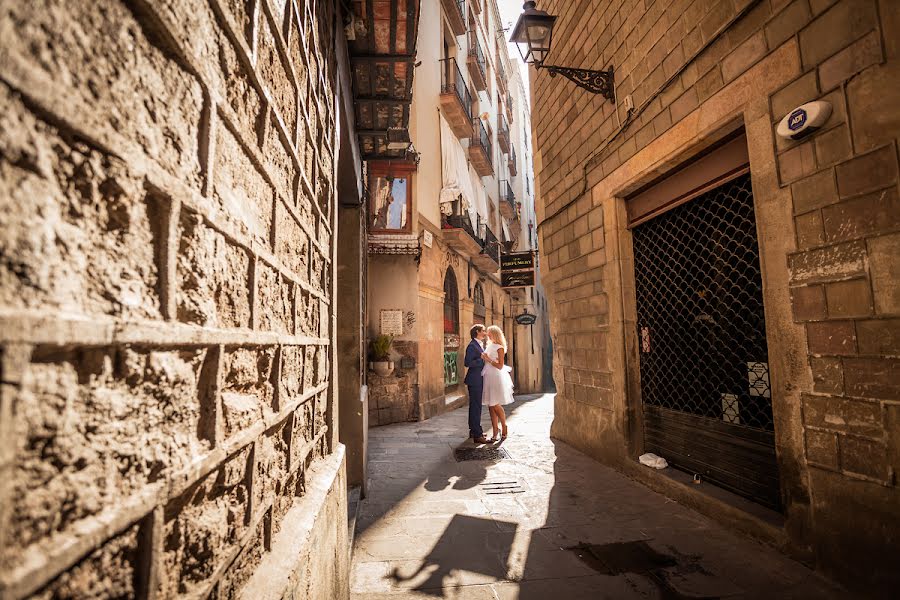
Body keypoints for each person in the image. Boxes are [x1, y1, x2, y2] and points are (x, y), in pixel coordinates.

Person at [481, 325, 514, 442]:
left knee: (495, 404)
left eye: (489, 333)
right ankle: (495, 432)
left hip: (495, 376)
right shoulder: (489, 346)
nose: (487, 335)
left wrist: (488, 359)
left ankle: (504, 425)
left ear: (494, 334)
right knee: (490, 405)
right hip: (487, 376)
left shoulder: (500, 347)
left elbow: (500, 366)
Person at [463, 324, 490, 444]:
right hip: (474, 380)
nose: (485, 333)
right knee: (475, 407)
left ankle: (474, 431)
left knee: (476, 406)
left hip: (478, 379)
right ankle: (477, 435)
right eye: (483, 331)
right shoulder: (472, 345)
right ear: (478, 332)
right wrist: (482, 359)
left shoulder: (479, 345)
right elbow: (467, 363)